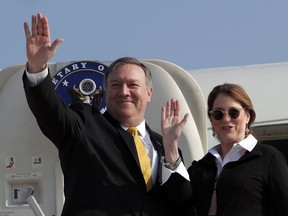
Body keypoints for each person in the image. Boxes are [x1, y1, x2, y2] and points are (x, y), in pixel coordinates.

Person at [22, 13, 186, 216]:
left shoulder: (163, 145)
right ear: (106, 92)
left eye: (133, 85)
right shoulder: (84, 125)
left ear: (149, 93)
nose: (124, 92)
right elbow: (50, 111)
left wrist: (172, 153)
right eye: (115, 85)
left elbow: (182, 202)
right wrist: (37, 68)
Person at [161, 83, 288, 215]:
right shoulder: (203, 166)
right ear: (211, 119)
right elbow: (179, 202)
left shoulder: (268, 158)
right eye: (218, 114)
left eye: (234, 112)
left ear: (248, 116)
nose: (226, 119)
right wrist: (171, 144)